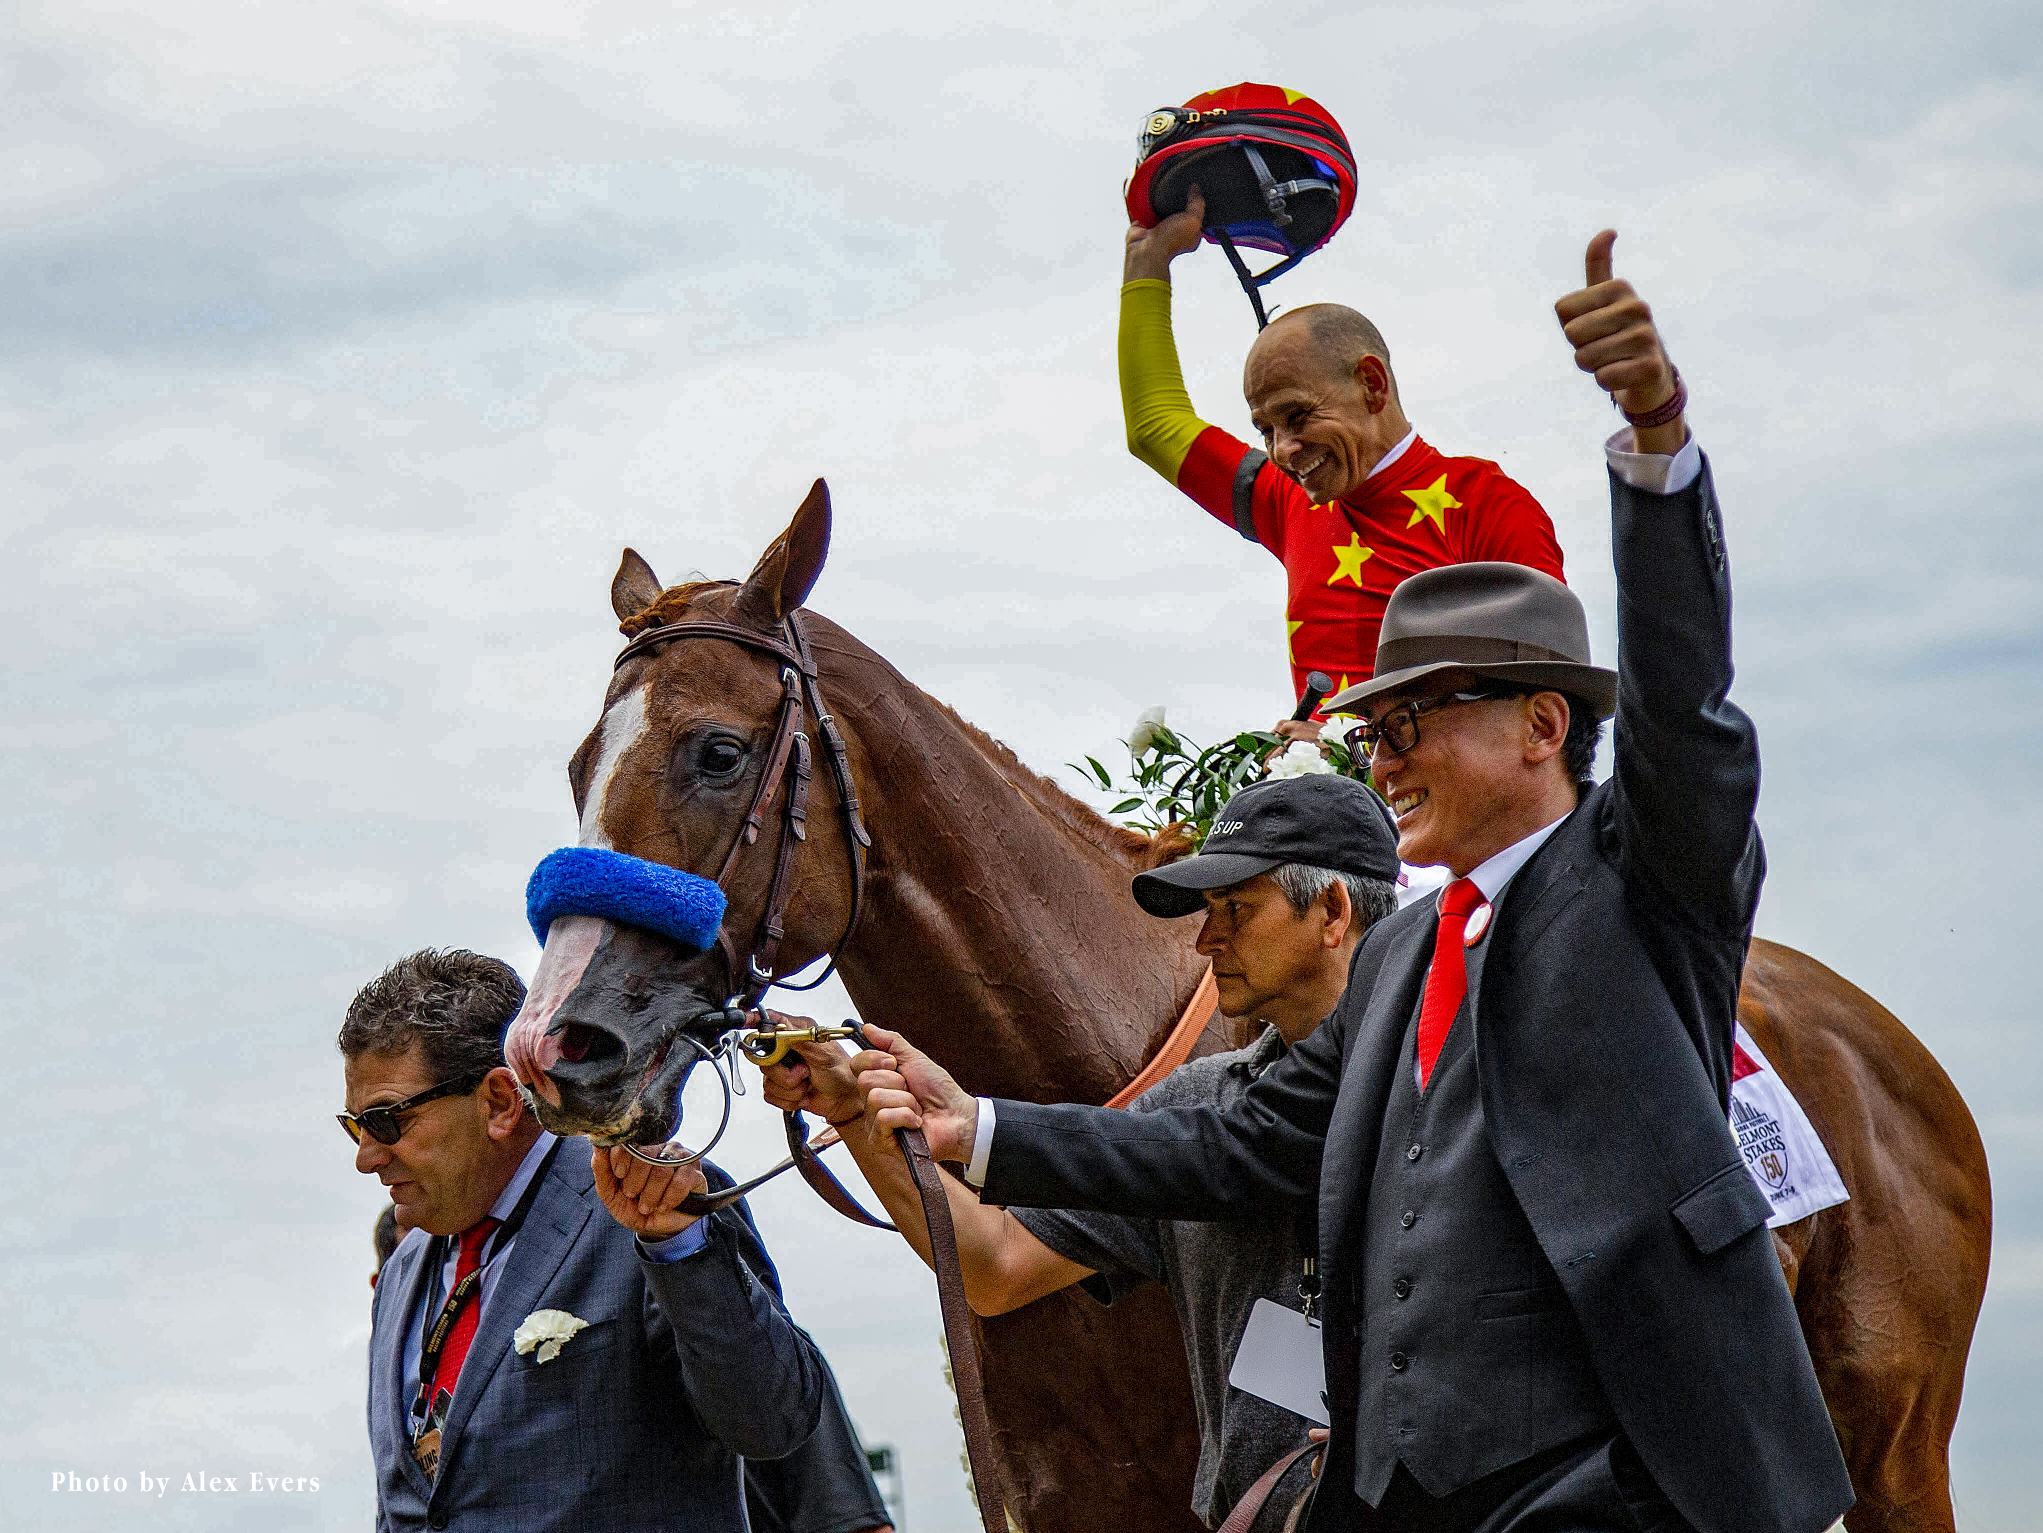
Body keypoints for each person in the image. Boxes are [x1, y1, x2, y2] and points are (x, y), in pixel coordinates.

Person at [852, 234, 1856, 1533]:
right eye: (1373, 731)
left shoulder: (1635, 873)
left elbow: (1680, 703)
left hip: (1633, 1487)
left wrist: (1653, 443)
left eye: (1413, 723)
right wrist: (973, 1127)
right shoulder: (1384, 959)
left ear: (1539, 728)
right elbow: (1234, 1136)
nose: (1380, 754)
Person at [762, 773, 1402, 1533]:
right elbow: (997, 1267)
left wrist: (974, 1125)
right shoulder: (1191, 1101)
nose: (1204, 938)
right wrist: (856, 1111)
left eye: (1235, 908)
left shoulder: (1441, 1080)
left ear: (1330, 912)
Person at [341, 947, 827, 1532]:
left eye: (385, 1121)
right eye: (354, 1127)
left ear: (499, 1102)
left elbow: (771, 1421)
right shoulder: (401, 1272)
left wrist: (679, 1246)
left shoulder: (654, 1205)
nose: (366, 1158)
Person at [1121, 187, 1566, 734]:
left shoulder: (1487, 503)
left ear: (1372, 385)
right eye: (1265, 429)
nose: (1283, 451)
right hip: (1335, 808)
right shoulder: (1287, 502)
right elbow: (1153, 430)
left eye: (1299, 417)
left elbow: (1542, 714)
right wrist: (1147, 258)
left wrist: (1352, 747)